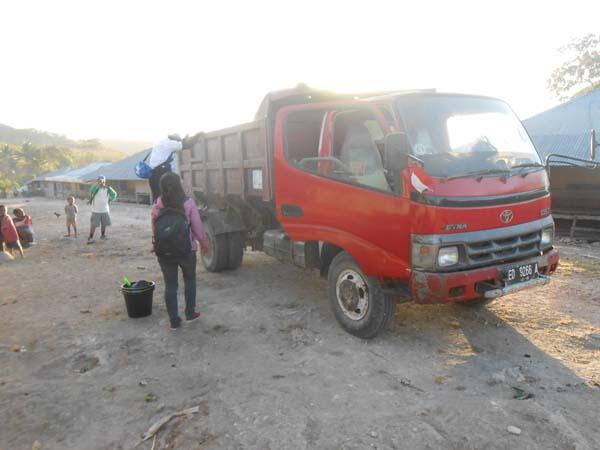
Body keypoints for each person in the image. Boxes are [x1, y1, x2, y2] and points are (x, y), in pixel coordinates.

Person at [151, 172, 209, 330]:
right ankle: (190, 313)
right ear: (179, 185)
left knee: (170, 285)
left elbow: (155, 226)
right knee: (190, 281)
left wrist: (155, 244)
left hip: (164, 252)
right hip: (186, 250)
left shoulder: (158, 203)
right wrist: (204, 243)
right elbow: (197, 227)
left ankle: (174, 321)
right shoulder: (188, 203)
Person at [148, 134, 183, 203]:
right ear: (174, 140)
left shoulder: (159, 143)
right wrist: (198, 135)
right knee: (166, 198)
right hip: (161, 173)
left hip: (152, 174)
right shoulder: (170, 144)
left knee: (157, 198)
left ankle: (158, 212)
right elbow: (184, 145)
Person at [87, 175, 117, 244]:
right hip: (95, 210)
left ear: (104, 181)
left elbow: (114, 195)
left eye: (102, 180)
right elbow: (91, 190)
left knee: (104, 224)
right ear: (97, 181)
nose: (100, 181)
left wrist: (109, 199)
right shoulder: (95, 187)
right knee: (93, 225)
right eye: (99, 180)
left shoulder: (108, 189)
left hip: (105, 210)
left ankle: (103, 235)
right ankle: (90, 238)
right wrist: (98, 184)